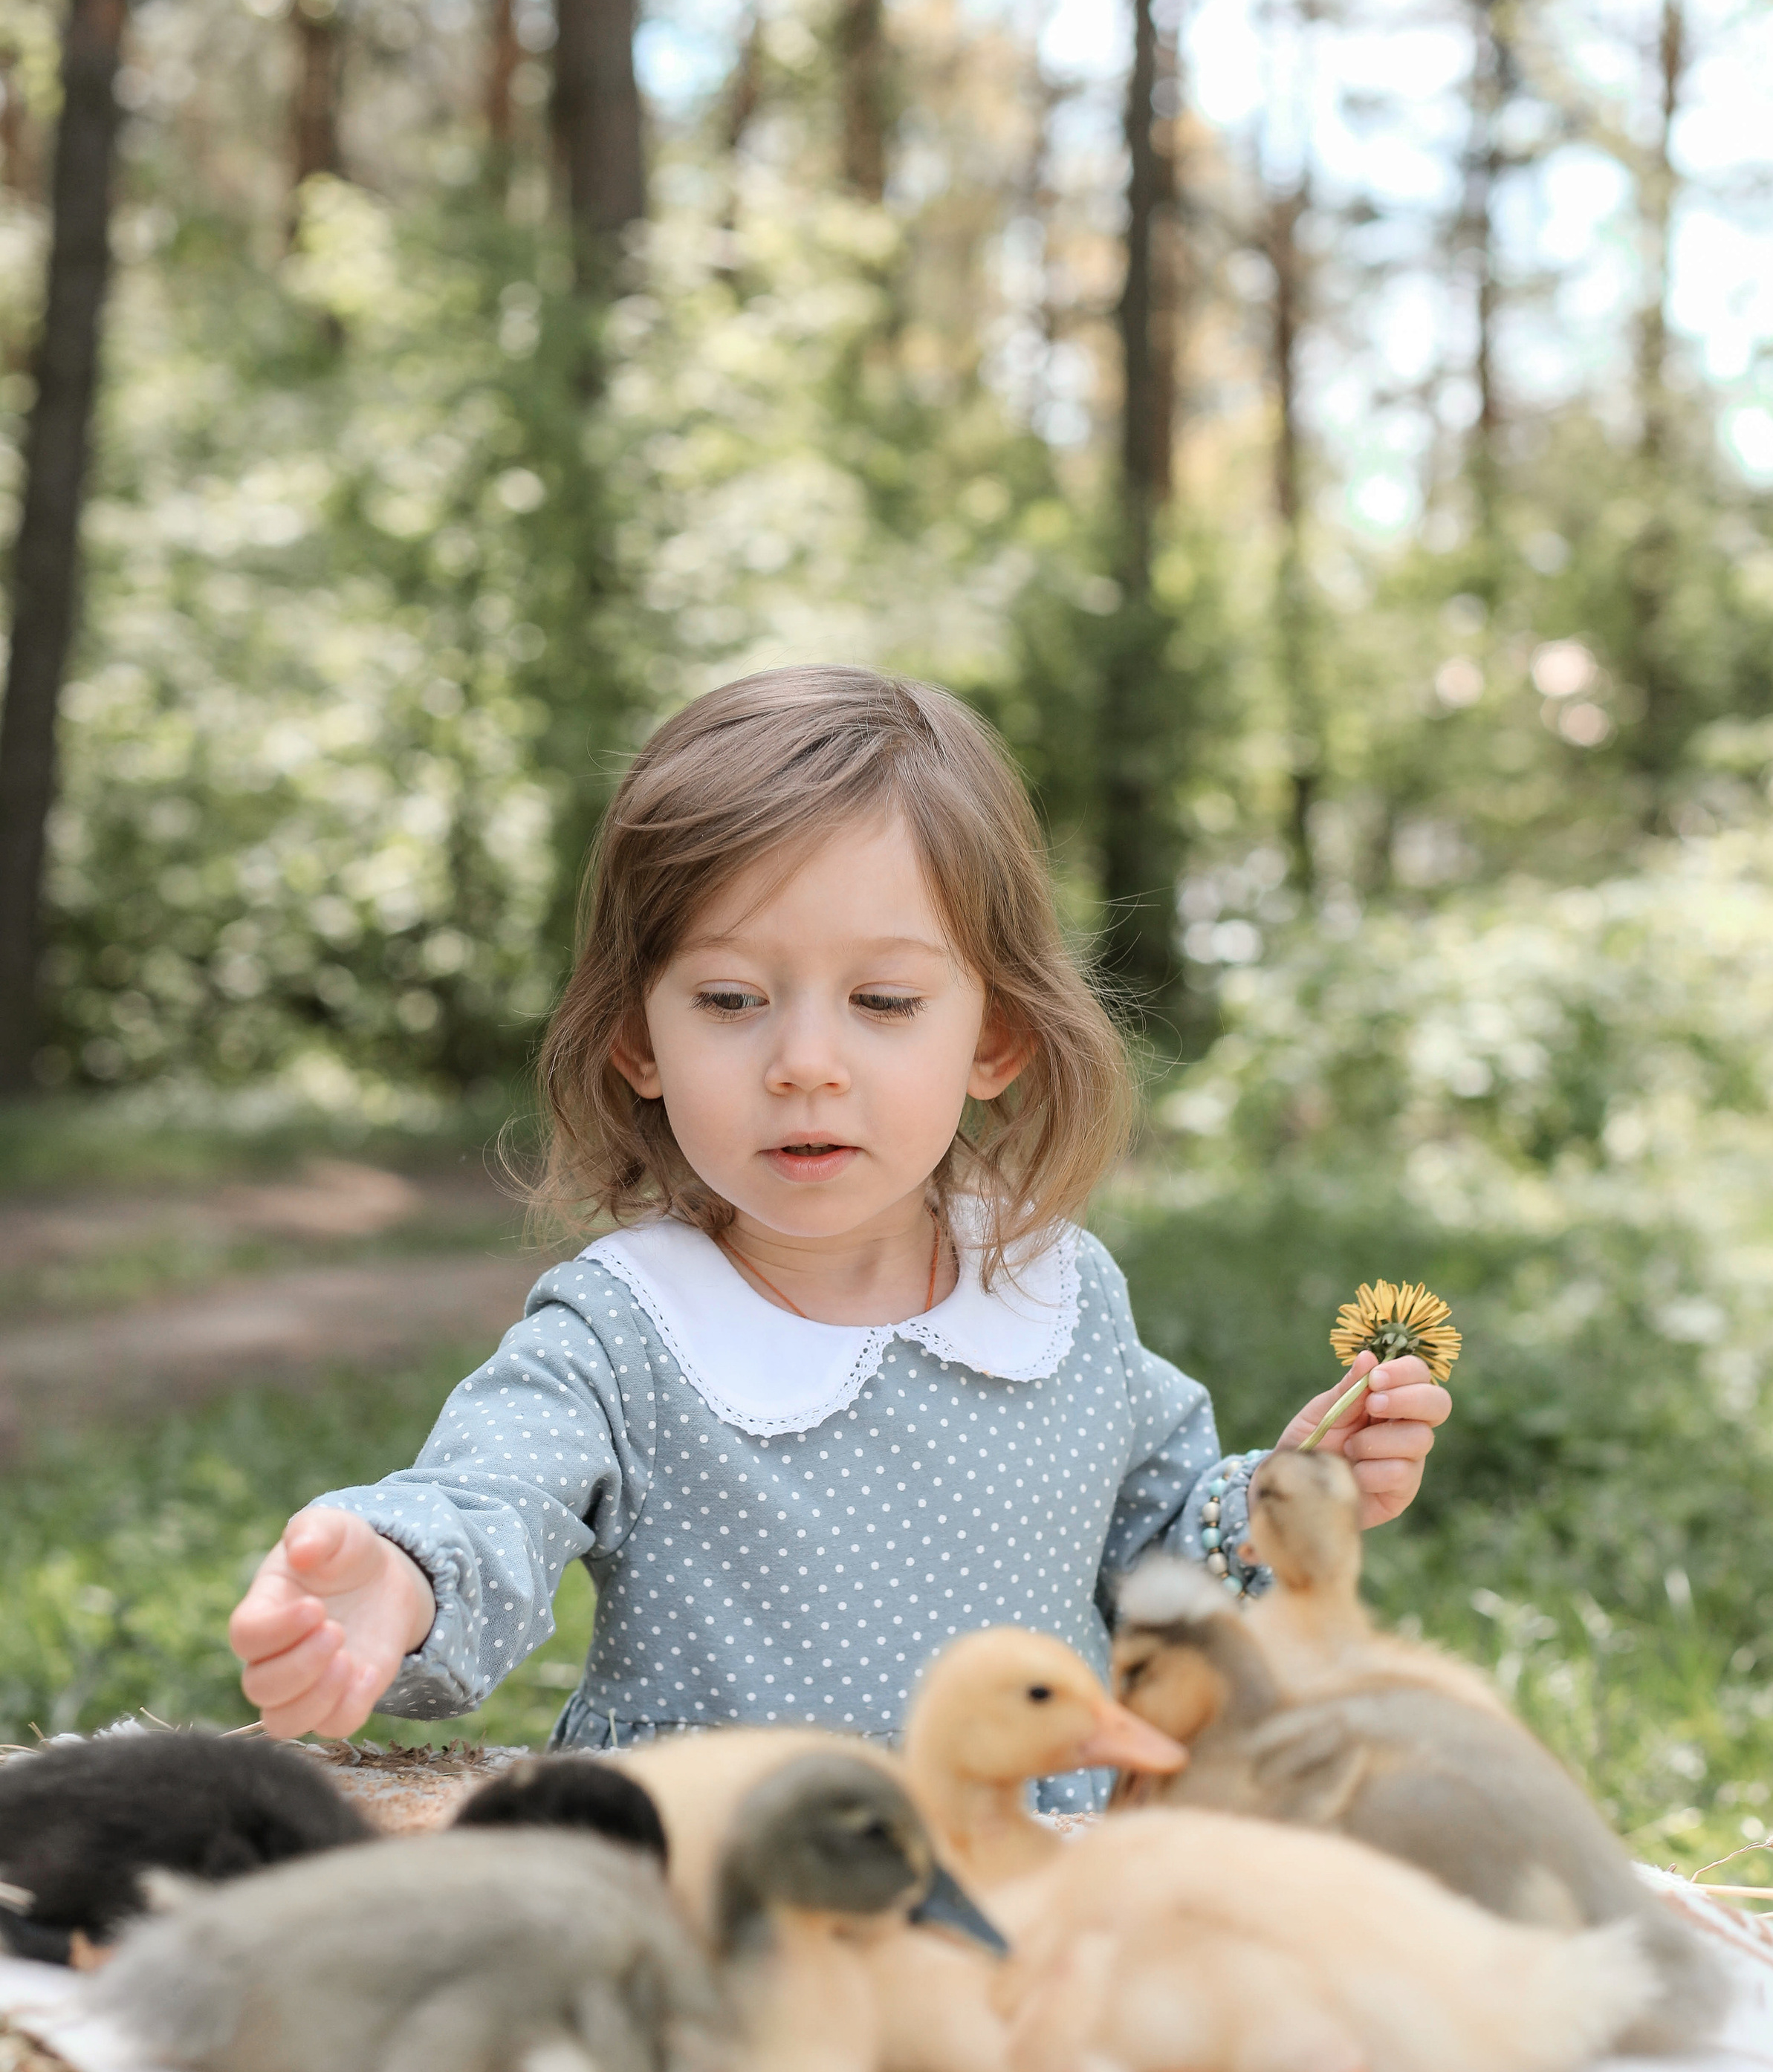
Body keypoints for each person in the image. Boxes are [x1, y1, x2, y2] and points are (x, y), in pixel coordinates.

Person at [228, 667, 1451, 1799]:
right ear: (639, 1039)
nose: (806, 1063)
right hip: (721, 1885)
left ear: (994, 1038)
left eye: (883, 1000)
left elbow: (1161, 1557)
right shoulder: (624, 1331)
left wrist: (1295, 1495)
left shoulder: (1055, 1294)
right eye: (730, 1000)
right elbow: (489, 1498)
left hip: (1032, 1878)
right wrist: (394, 1580)